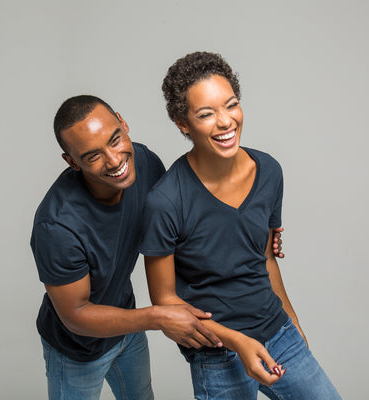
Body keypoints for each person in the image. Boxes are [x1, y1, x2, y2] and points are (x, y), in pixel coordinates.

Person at [31, 94, 286, 399]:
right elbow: (76, 314)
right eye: (93, 156)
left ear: (123, 123)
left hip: (125, 322)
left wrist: (254, 233)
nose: (114, 161)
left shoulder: (145, 163)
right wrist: (156, 316)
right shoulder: (57, 226)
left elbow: (179, 228)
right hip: (76, 348)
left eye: (115, 140)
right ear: (72, 161)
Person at [140, 52, 341, 399]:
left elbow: (265, 259)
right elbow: (166, 304)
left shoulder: (269, 171)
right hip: (217, 353)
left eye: (231, 105)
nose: (225, 122)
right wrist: (236, 341)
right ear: (182, 123)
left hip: (278, 333)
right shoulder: (166, 201)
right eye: (206, 114)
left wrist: (292, 324)